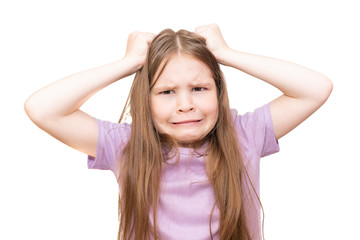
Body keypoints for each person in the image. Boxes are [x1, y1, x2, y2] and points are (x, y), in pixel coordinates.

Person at [24, 24, 333, 240]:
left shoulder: (245, 135)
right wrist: (128, 62)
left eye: (199, 88)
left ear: (218, 91)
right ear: (145, 100)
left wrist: (227, 54)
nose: (185, 104)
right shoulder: (126, 145)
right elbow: (43, 108)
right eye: (167, 92)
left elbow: (315, 89)